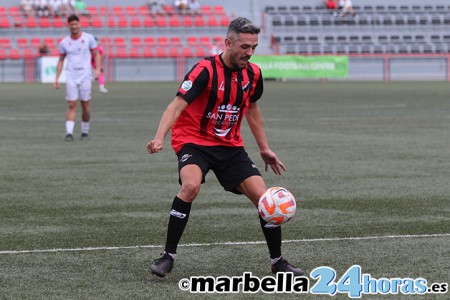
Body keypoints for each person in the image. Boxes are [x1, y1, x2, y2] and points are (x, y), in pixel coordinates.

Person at [147, 17, 304, 278]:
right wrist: (159, 137)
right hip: (194, 141)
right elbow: (176, 105)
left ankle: (277, 261)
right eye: (244, 46)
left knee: (265, 199)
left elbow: (252, 109)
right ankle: (167, 257)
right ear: (228, 42)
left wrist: (264, 148)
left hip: (230, 146)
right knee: (190, 186)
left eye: (253, 47)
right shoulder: (204, 70)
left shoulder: (253, 74)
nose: (249, 53)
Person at [54, 14, 100, 141]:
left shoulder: (88, 38)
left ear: (79, 24)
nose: (74, 26)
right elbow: (61, 60)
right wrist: (56, 78)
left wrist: (97, 70)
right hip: (71, 76)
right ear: (68, 26)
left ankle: (85, 131)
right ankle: (69, 133)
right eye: (71, 24)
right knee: (72, 104)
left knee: (85, 104)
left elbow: (96, 54)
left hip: (85, 76)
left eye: (76, 24)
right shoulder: (64, 42)